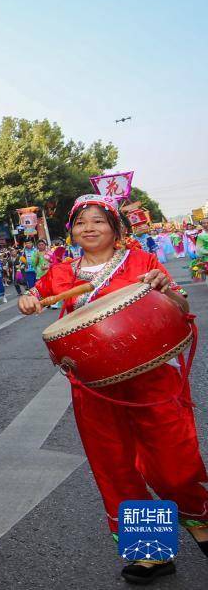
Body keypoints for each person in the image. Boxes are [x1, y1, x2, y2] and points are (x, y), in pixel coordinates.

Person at [19, 194, 208, 586]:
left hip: (151, 378)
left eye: (98, 221)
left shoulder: (142, 263)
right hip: (94, 386)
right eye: (81, 222)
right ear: (71, 230)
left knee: (173, 464)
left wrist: (164, 288)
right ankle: (153, 553)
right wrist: (29, 299)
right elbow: (36, 294)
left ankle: (200, 519)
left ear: (115, 228)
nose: (88, 228)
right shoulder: (62, 272)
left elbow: (178, 302)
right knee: (116, 466)